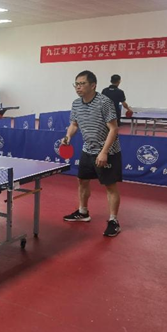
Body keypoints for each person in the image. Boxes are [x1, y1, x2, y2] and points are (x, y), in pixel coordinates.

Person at [62, 70, 123, 238]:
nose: (78, 87)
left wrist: (104, 152)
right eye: (76, 84)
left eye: (82, 84)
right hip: (87, 149)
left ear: (93, 85)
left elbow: (114, 129)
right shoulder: (76, 104)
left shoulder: (104, 102)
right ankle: (83, 212)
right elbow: (74, 124)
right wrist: (68, 137)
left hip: (108, 151)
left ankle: (113, 221)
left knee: (110, 186)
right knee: (82, 181)